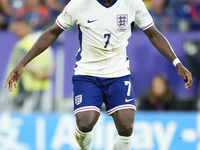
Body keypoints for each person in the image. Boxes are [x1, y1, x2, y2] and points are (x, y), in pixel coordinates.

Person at [5, 0, 193, 149]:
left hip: (118, 73)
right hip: (87, 73)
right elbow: (53, 32)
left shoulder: (132, 3)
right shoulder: (79, 4)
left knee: (126, 127)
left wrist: (177, 62)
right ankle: (83, 146)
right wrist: (23, 63)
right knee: (86, 123)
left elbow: (153, 34)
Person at [6, 19, 54, 113]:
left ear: (27, 28)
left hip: (27, 87)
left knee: (26, 115)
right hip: (44, 85)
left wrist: (38, 75)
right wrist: (47, 74)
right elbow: (51, 60)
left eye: (19, 29)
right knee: (42, 114)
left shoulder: (23, 43)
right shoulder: (43, 41)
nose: (16, 32)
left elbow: (23, 64)